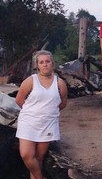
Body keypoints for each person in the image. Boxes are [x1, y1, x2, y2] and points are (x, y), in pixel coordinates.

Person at [15, 50, 68, 179]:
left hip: (48, 123)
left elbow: (63, 104)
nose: (45, 64)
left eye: (48, 61)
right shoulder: (30, 81)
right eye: (41, 62)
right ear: (37, 65)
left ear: (52, 64)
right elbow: (19, 100)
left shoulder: (59, 83)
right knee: (26, 155)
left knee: (38, 158)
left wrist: (48, 113)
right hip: (28, 122)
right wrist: (33, 112)